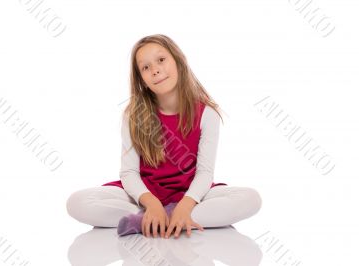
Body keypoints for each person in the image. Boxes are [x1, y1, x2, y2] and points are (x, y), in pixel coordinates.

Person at [66, 34, 262, 239]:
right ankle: (155, 216)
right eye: (146, 67)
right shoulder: (133, 115)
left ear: (178, 60)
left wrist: (185, 206)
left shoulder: (207, 114)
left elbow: (204, 173)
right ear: (141, 78)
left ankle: (164, 218)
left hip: (191, 194)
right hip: (145, 194)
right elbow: (129, 172)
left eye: (161, 60)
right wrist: (151, 204)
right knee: (77, 203)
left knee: (251, 199)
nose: (155, 70)